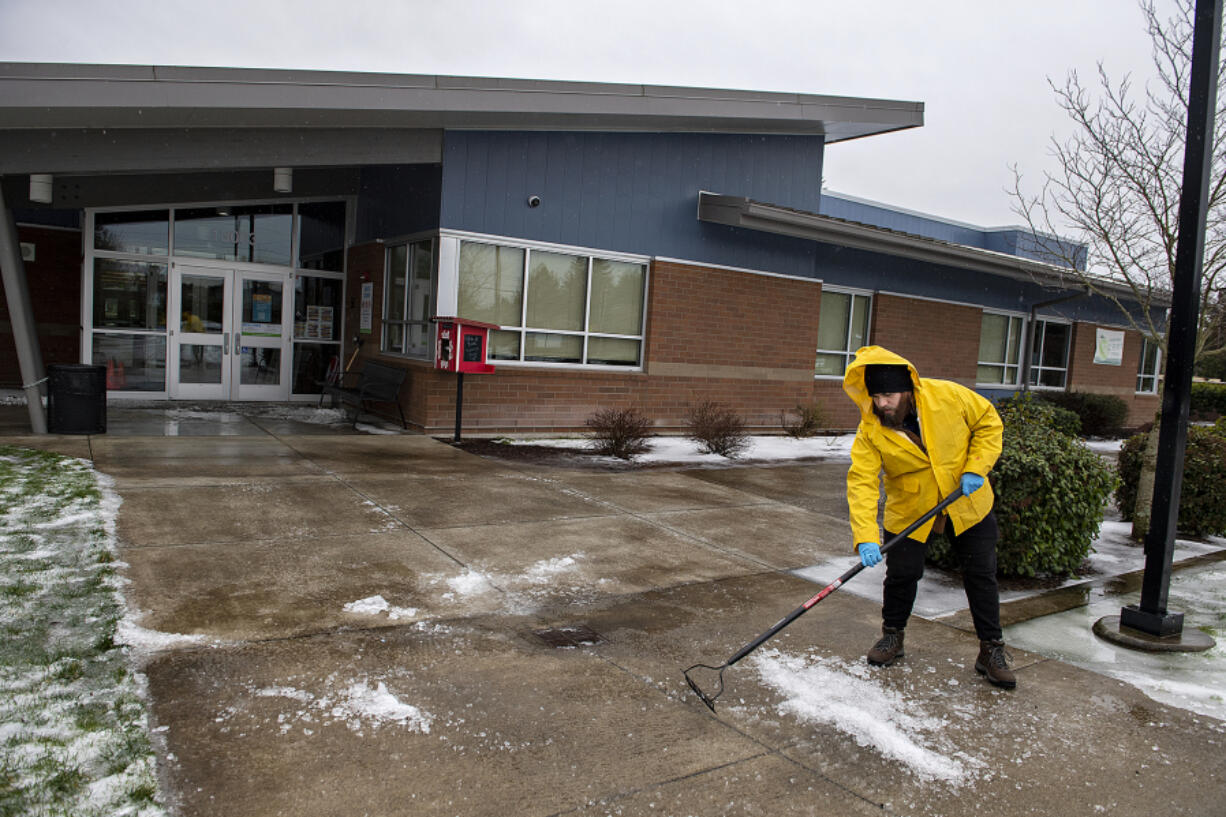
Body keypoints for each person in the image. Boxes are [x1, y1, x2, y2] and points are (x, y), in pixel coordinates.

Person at [842, 345, 1015, 689]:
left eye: (888, 395)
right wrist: (865, 536)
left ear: (906, 389)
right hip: (911, 507)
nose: (881, 404)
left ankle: (991, 651)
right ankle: (893, 637)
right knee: (903, 574)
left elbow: (989, 423)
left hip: (966, 500)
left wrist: (976, 467)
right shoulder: (871, 429)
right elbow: (862, 482)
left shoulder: (948, 396)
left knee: (981, 574)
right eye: (875, 396)